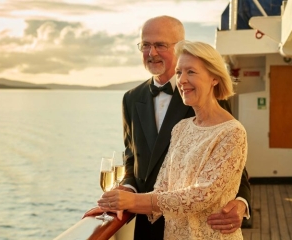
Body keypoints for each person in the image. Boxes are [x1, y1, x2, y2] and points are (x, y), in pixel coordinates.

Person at [84, 15, 250, 239]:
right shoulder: (132, 99)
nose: (152, 53)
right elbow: (132, 159)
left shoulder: (211, 101)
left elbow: (233, 166)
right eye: (145, 45)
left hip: (206, 225)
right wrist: (127, 191)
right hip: (148, 223)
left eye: (160, 45)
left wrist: (241, 203)